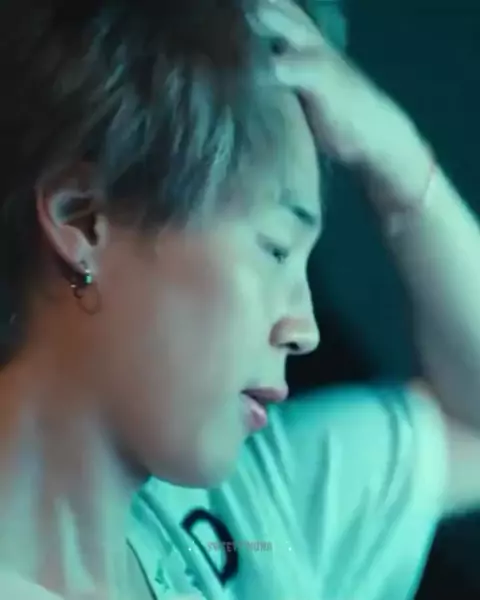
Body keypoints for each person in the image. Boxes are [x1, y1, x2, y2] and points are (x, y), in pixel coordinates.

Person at [1, 0, 480, 598]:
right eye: (275, 249)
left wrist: (400, 163)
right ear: (83, 219)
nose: (304, 328)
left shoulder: (248, 520)